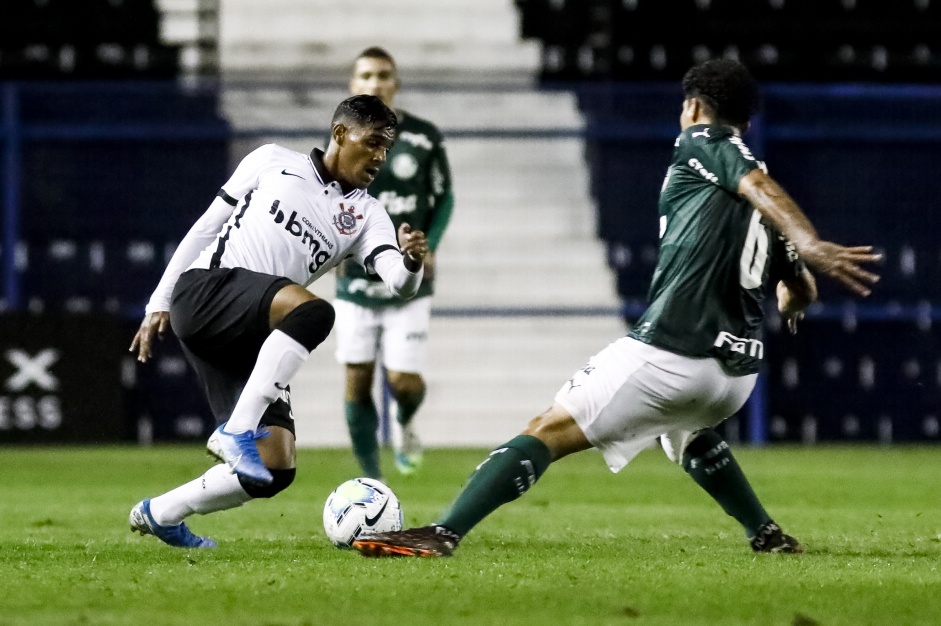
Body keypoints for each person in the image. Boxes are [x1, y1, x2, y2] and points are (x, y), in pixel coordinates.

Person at [350, 59, 882, 558]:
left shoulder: (706, 141)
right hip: (735, 378)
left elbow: (760, 186)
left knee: (548, 428)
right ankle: (765, 533)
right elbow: (799, 289)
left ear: (695, 108)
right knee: (687, 432)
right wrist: (796, 288)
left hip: (676, 351)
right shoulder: (763, 208)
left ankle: (443, 533)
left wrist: (811, 242)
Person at [127, 94, 428, 548]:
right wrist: (159, 301)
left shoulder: (368, 215)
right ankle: (236, 430)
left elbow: (398, 282)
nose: (380, 157)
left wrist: (410, 263)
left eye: (387, 148)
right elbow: (208, 227)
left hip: (254, 331)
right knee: (314, 311)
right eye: (373, 143)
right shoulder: (272, 161)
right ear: (341, 133)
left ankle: (162, 513)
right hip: (207, 292)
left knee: (274, 467)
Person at [335, 47, 454, 478]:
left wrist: (433, 245)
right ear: (353, 85)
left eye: (383, 75)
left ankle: (405, 421)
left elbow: (445, 197)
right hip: (356, 278)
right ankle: (372, 478)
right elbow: (326, 198)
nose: (374, 83)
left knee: (402, 382)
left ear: (395, 84)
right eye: (365, 75)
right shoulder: (341, 140)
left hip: (408, 276)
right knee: (357, 378)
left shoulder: (423, 137)